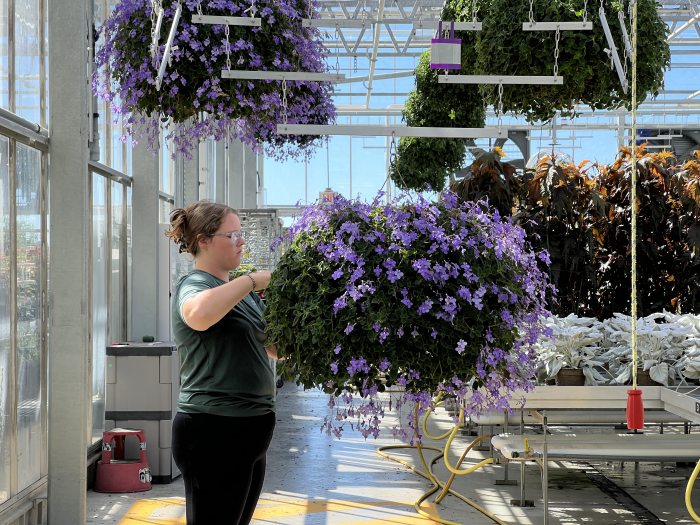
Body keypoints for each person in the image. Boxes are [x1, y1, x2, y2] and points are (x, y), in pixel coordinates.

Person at [165, 201, 277, 525]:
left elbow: (273, 348)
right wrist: (252, 281)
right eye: (232, 235)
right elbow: (198, 316)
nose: (241, 241)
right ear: (204, 240)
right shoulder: (196, 284)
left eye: (241, 234)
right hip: (213, 431)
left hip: (250, 431)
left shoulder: (239, 295)